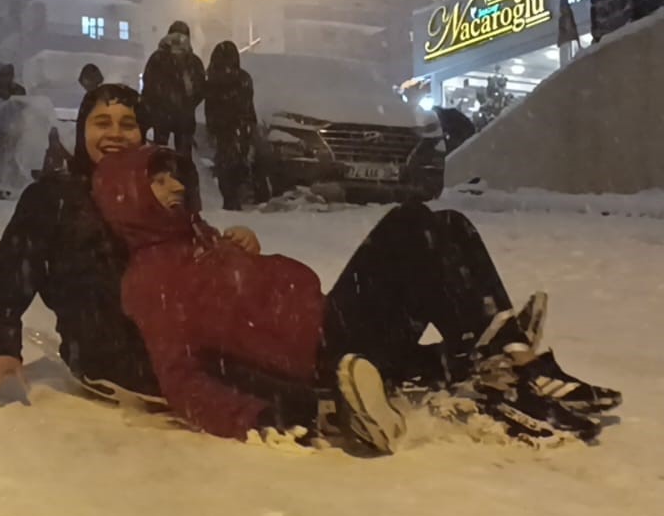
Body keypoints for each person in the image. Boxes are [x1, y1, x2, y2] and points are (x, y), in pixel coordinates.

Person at [92, 145, 621, 451]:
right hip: (327, 354)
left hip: (332, 325)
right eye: (156, 182)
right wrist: (261, 419)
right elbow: (182, 379)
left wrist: (245, 256)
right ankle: (504, 355)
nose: (174, 186)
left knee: (445, 223)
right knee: (411, 224)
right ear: (127, 197)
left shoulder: (201, 241)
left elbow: (247, 302)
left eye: (172, 176)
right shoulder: (149, 280)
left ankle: (500, 353)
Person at [0, 84, 252, 406]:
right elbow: (9, 275)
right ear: (82, 131)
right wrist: (1, 347)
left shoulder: (158, 188)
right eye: (102, 123)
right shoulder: (55, 196)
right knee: (252, 383)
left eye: (127, 125)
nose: (115, 134)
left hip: (181, 337)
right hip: (107, 354)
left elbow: (195, 252)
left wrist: (231, 246)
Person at [204, 41, 262, 211]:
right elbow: (247, 106)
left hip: (226, 129)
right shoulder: (242, 79)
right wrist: (249, 125)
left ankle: (231, 199)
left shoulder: (214, 79)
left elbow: (210, 108)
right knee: (236, 164)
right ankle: (234, 198)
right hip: (237, 128)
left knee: (227, 166)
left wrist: (213, 127)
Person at [141, 21, 206, 160]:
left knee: (159, 156)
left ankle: (161, 177)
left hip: (161, 117)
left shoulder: (157, 58)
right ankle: (183, 179)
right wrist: (187, 104)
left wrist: (155, 107)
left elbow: (149, 86)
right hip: (184, 119)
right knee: (183, 158)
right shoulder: (193, 61)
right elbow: (200, 90)